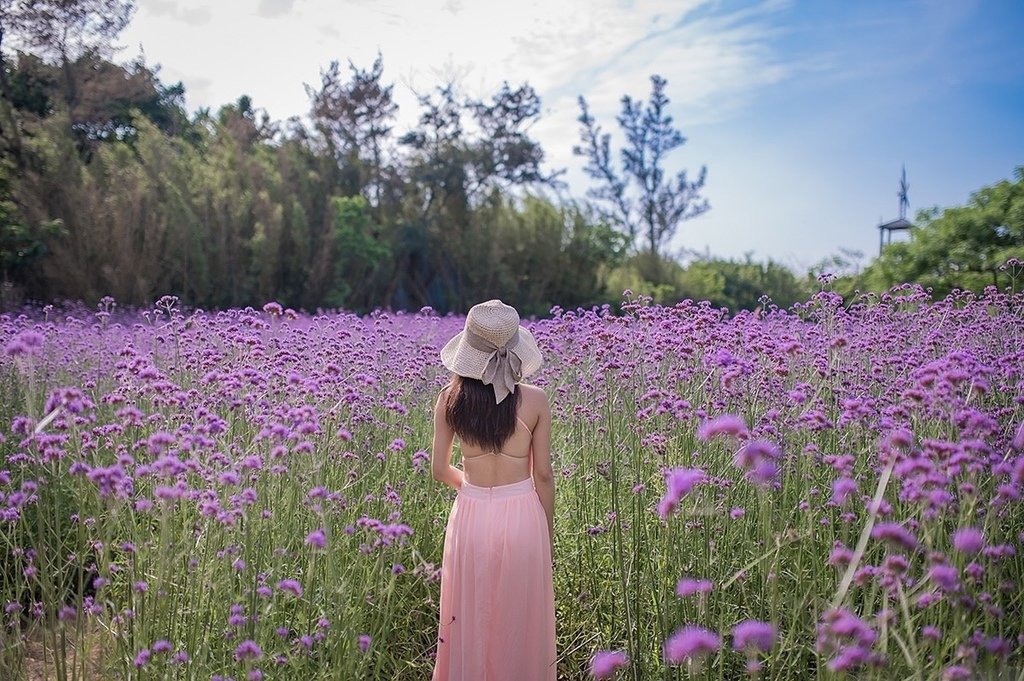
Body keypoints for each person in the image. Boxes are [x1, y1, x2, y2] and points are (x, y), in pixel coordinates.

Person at [430, 299, 557, 681]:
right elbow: (544, 476)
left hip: (470, 516)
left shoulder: (449, 399)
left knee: (470, 613)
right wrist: (545, 532)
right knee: (520, 617)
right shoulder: (535, 400)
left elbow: (439, 470)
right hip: (522, 513)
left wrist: (470, 489)